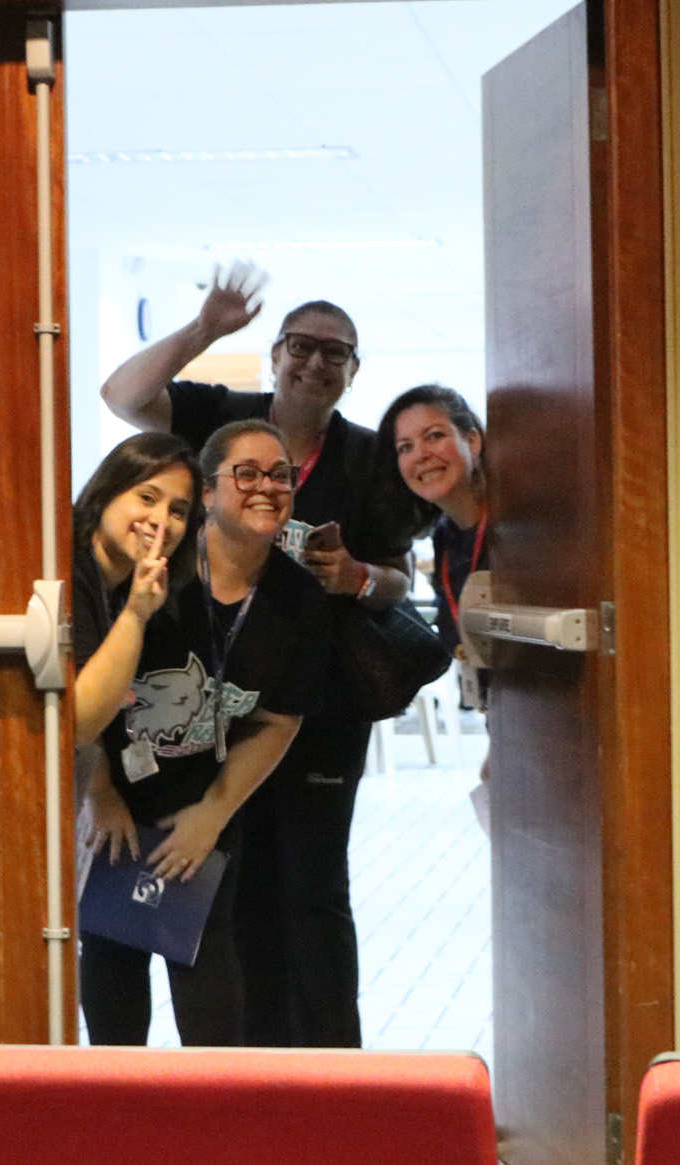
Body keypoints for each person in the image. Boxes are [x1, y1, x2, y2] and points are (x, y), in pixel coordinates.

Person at [100, 261, 425, 1048]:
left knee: (312, 889)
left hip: (311, 705)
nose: (314, 362)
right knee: (223, 888)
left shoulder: (365, 459)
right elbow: (123, 395)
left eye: (335, 352)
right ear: (275, 354)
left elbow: (398, 579)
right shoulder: (221, 419)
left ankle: (330, 1066)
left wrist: (357, 576)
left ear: (353, 371)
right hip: (202, 716)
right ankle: (249, 1059)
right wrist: (205, 329)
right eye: (300, 345)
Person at [72, 423, 329, 1046]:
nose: (266, 486)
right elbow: (82, 699)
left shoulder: (297, 599)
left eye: (280, 475)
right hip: (113, 788)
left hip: (203, 797)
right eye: (246, 473)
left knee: (204, 953)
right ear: (211, 494)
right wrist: (101, 793)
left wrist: (213, 813)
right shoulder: (152, 574)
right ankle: (115, 1098)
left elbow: (279, 719)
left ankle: (215, 1101)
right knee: (110, 950)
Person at [380, 384, 488, 659]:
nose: (420, 455)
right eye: (405, 447)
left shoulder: (519, 527)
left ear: (472, 441)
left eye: (434, 436)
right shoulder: (444, 536)